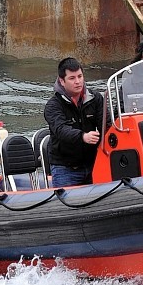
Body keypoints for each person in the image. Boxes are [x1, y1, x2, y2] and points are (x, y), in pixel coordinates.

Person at [43, 56, 104, 187]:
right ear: (62, 81)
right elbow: (61, 130)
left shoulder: (96, 99)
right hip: (65, 168)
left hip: (95, 163)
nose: (78, 81)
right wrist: (83, 136)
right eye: (72, 78)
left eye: (80, 76)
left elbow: (106, 124)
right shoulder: (53, 106)